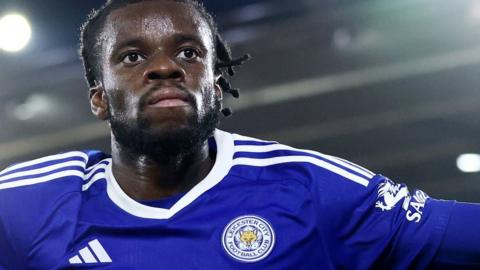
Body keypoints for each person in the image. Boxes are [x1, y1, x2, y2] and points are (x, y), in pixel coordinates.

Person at [0, 0, 479, 269]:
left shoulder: (308, 188)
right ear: (99, 97)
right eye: (132, 57)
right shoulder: (28, 206)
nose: (165, 67)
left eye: (189, 53)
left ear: (216, 82)